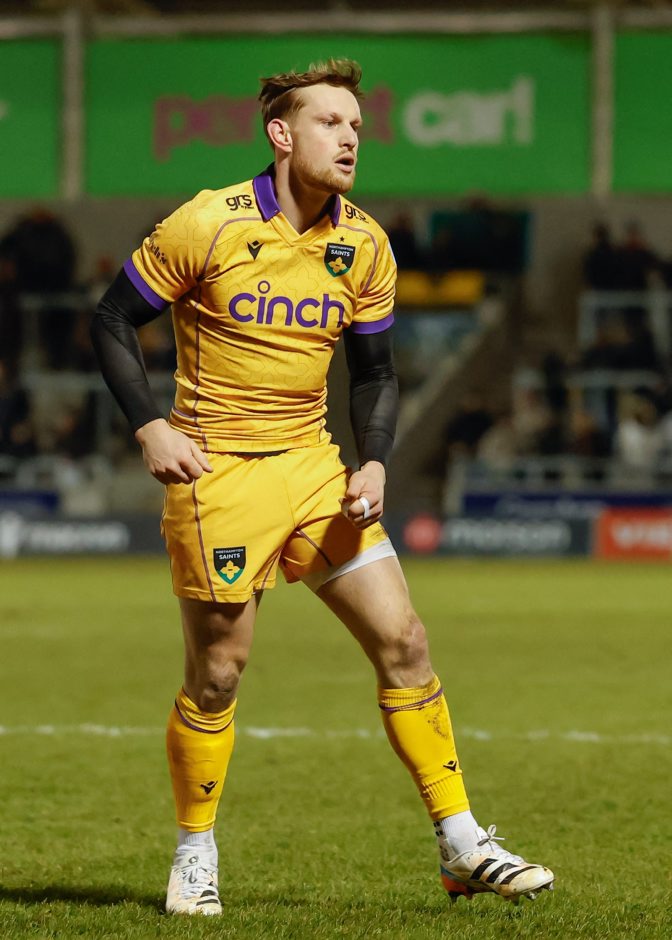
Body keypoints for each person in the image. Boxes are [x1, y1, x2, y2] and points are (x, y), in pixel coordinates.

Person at [91, 58, 553, 916]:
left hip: (314, 470)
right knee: (218, 676)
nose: (349, 139)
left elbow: (375, 373)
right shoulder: (208, 222)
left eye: (357, 127)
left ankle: (461, 844)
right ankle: (194, 854)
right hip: (220, 473)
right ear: (281, 133)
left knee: (406, 641)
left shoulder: (365, 244)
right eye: (330, 123)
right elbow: (113, 317)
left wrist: (372, 460)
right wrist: (150, 426)